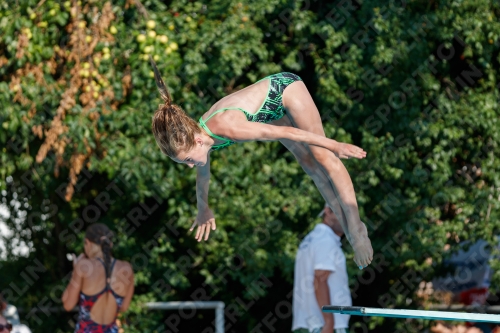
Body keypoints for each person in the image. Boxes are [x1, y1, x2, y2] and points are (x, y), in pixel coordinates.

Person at [149, 57, 373, 269]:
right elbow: (203, 178)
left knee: (322, 156)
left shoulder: (229, 128)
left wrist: (334, 145)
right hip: (267, 113)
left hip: (285, 90)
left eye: (187, 160)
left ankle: (356, 229)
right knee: (308, 163)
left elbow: (288, 132)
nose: (190, 165)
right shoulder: (202, 141)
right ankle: (348, 230)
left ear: (197, 141)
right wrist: (203, 209)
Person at [62, 223, 135, 333]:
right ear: (110, 244)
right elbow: (124, 307)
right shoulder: (127, 269)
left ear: (87, 243)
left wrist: (75, 270)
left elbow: (67, 304)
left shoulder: (84, 266)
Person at [292, 204, 352, 333]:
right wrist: (329, 322)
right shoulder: (325, 239)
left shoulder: (312, 238)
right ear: (327, 212)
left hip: (310, 324)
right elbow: (320, 279)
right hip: (324, 326)